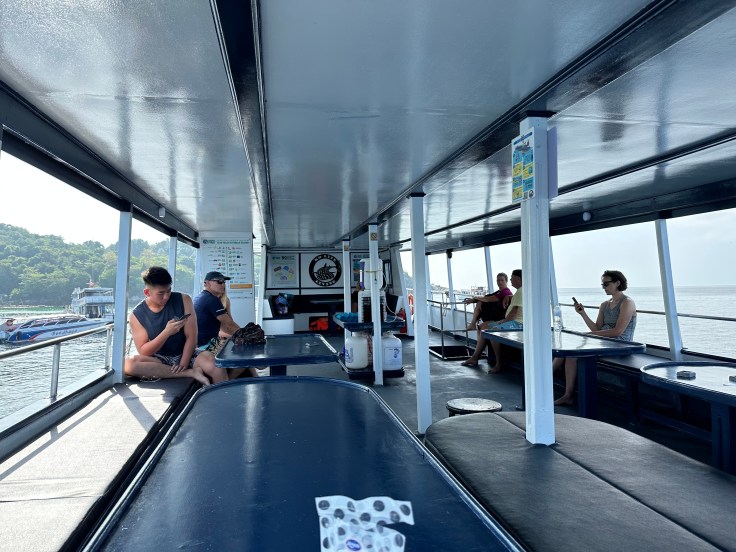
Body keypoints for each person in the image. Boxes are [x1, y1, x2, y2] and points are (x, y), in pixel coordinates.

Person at [124, 266, 226, 385]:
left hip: (188, 353)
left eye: (168, 291)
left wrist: (183, 364)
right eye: (161, 293)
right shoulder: (136, 315)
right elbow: (144, 351)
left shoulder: (184, 299)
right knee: (128, 364)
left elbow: (191, 337)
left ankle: (224, 395)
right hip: (160, 358)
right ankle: (190, 373)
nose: (166, 296)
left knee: (215, 365)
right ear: (147, 293)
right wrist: (166, 332)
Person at [553, 270, 637, 406]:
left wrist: (589, 335)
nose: (604, 287)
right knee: (568, 351)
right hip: (603, 342)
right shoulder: (605, 305)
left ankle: (549, 383)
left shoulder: (627, 302)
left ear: (617, 283)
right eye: (602, 284)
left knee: (572, 354)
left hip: (621, 345)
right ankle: (562, 391)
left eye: (606, 284)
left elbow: (618, 332)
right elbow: (597, 329)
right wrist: (583, 314)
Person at [193, 271, 257, 378]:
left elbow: (226, 326)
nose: (223, 285)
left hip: (205, 343)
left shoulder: (201, 297)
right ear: (207, 283)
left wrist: (241, 335)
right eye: (219, 282)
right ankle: (227, 382)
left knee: (242, 346)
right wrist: (249, 337)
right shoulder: (211, 300)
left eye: (224, 282)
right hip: (205, 346)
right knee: (246, 354)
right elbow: (229, 326)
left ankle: (254, 377)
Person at [461, 269, 522, 373]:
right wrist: (509, 296)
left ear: (518, 279)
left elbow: (514, 312)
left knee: (493, 331)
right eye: (498, 280)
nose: (511, 280)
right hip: (512, 320)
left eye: (511, 278)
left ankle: (499, 363)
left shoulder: (519, 291)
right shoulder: (518, 292)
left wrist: (503, 321)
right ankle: (475, 357)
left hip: (518, 323)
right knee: (483, 327)